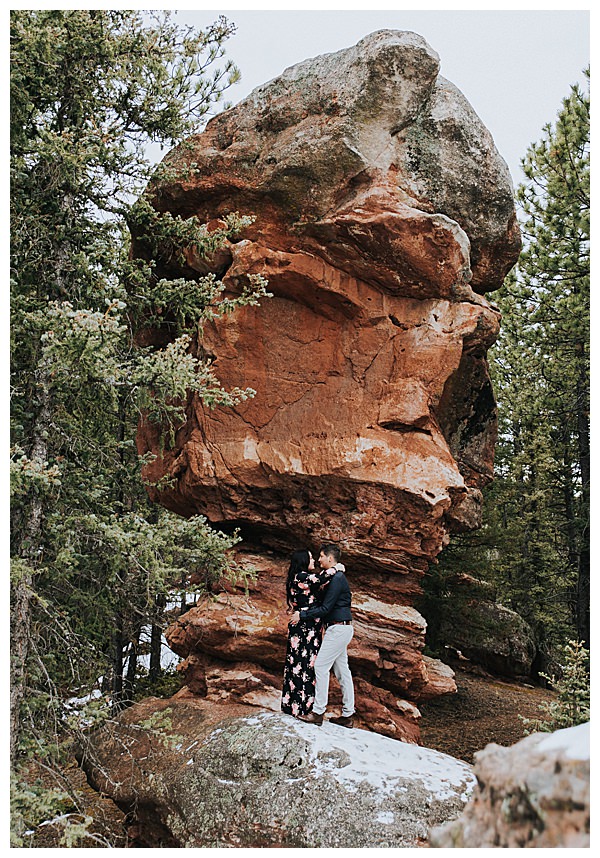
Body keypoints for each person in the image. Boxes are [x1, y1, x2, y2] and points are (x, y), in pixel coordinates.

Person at [290, 543, 355, 728]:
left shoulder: (337, 578)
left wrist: (302, 615)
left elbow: (326, 608)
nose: (318, 560)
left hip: (338, 629)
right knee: (343, 672)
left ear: (329, 558)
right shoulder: (333, 577)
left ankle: (318, 712)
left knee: (320, 667)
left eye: (320, 556)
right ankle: (348, 715)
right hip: (339, 628)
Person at [281, 549, 337, 718]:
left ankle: (292, 706)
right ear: (304, 561)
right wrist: (337, 568)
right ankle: (302, 708)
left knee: (297, 665)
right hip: (305, 629)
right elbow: (321, 578)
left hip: (304, 627)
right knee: (304, 665)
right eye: (311, 558)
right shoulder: (301, 576)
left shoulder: (298, 578)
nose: (314, 560)